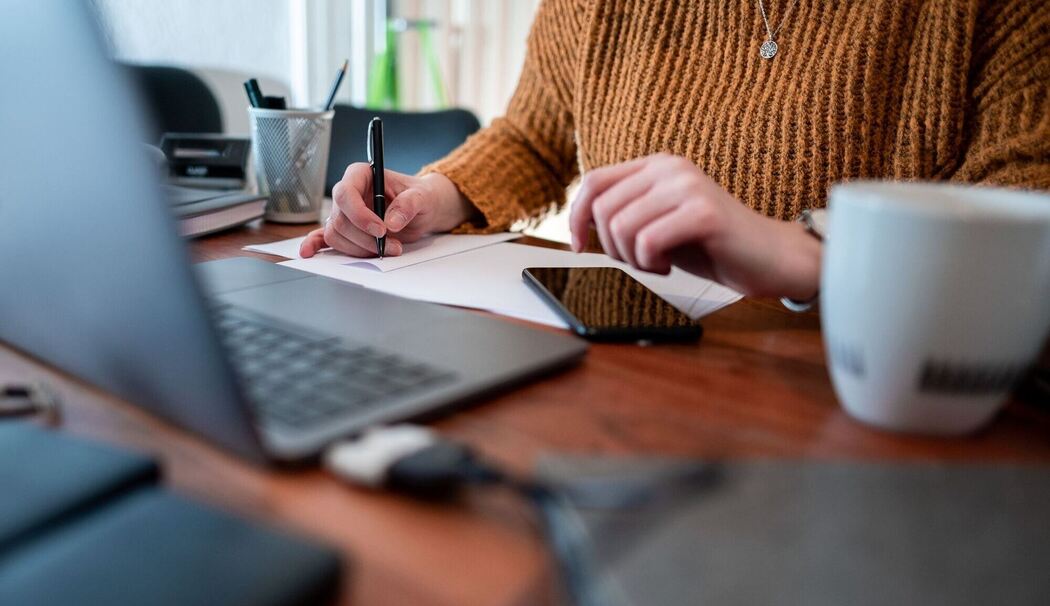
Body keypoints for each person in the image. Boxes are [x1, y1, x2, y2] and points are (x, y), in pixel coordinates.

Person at [301, 0, 1049, 304]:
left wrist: (814, 250)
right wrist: (430, 198)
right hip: (631, 380)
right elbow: (533, 136)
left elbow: (1028, 211)